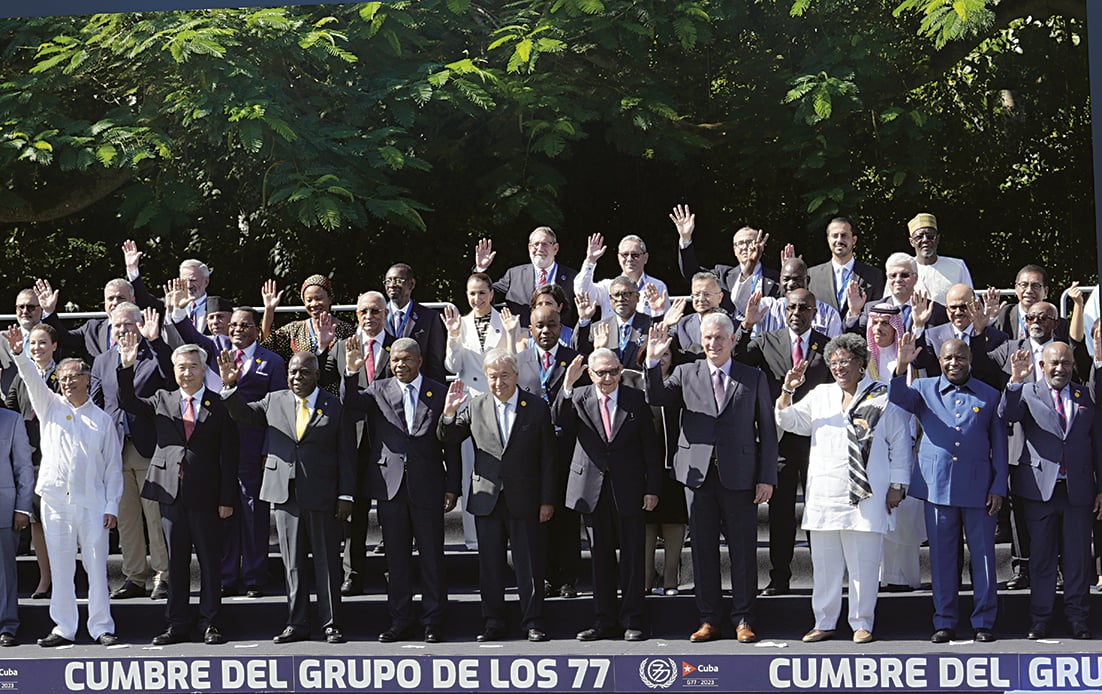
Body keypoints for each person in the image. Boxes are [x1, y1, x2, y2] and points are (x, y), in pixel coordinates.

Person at [644, 314, 778, 643]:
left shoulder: (754, 377)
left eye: (720, 338)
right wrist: (651, 360)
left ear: (732, 340)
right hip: (697, 477)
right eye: (707, 338)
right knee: (702, 551)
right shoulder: (684, 373)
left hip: (741, 476)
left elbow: (768, 431)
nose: (713, 344)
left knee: (743, 551)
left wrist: (766, 477)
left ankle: (744, 618)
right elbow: (656, 398)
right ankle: (708, 619)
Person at [776, 334, 914, 644]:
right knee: (825, 567)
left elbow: (901, 442)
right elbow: (789, 420)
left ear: (860, 363)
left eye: (845, 362)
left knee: (864, 565)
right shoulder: (820, 394)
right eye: (834, 363)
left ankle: (862, 622)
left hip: (867, 494)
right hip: (826, 494)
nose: (839, 368)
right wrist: (788, 390)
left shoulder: (882, 395)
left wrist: (898, 485)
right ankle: (824, 621)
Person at [219, 350, 355, 644]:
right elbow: (242, 413)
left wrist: (346, 494)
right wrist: (230, 388)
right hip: (285, 494)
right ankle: (297, 623)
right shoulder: (274, 400)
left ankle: (331, 623)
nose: (297, 377)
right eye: (293, 372)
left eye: (304, 372)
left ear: (317, 375)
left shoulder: (335, 405)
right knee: (292, 563)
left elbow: (347, 453)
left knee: (327, 562)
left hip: (323, 493)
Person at [117, 338, 238, 646]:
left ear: (203, 369)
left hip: (207, 496)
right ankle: (177, 624)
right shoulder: (162, 399)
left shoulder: (218, 403)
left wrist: (226, 499)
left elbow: (229, 454)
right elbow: (128, 402)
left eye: (193, 367)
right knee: (176, 562)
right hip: (170, 493)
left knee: (209, 562)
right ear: (174, 371)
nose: (187, 373)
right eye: (181, 367)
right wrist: (127, 366)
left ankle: (211, 622)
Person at [7, 328, 121, 648]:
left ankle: (101, 626)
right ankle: (64, 627)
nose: (68, 381)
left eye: (74, 376)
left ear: (87, 379)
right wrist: (19, 354)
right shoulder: (49, 406)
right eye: (63, 377)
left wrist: (112, 505)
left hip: (93, 503)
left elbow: (113, 468)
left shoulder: (102, 420)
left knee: (97, 567)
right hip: (55, 501)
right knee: (60, 567)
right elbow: (31, 377)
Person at [342, 336, 461, 643]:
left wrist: (453, 485)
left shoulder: (438, 391)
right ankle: (400, 619)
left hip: (428, 484)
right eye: (395, 360)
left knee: (432, 556)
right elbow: (350, 404)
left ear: (419, 360)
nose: (400, 365)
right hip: (389, 486)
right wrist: (351, 372)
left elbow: (450, 442)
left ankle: (434, 619)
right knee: (395, 559)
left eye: (406, 359)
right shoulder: (379, 389)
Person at [891, 336, 1007, 643]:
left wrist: (998, 486)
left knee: (982, 558)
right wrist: (902, 365)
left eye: (960, 358)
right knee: (942, 559)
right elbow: (897, 398)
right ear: (939, 361)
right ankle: (944, 620)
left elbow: (1000, 445)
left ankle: (984, 620)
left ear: (969, 360)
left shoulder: (989, 395)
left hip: (979, 488)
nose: (953, 363)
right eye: (947, 358)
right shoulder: (924, 388)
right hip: (938, 486)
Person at [438, 349, 556, 643]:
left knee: (529, 564)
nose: (499, 382)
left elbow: (549, 460)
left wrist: (547, 500)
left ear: (516, 375)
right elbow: (448, 437)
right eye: (493, 376)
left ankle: (533, 621)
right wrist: (449, 413)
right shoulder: (475, 405)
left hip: (525, 498)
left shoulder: (537, 408)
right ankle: (493, 622)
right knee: (489, 566)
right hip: (486, 498)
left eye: (505, 375)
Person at [555, 348, 661, 641]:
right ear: (590, 373)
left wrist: (652, 488)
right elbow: (559, 423)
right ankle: (603, 621)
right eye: (601, 372)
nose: (608, 378)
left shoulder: (635, 399)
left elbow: (650, 447)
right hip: (590, 488)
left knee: (632, 557)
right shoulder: (577, 397)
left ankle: (633, 620)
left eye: (613, 371)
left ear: (620, 371)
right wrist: (566, 386)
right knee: (600, 559)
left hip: (629, 488)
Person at [1000, 342, 1102, 640]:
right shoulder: (1028, 391)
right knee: (1042, 559)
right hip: (1039, 491)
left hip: (1078, 491)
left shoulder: (1085, 395)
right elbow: (1006, 415)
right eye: (1054, 363)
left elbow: (1097, 444)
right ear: (1042, 366)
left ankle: (1078, 618)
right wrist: (1015, 382)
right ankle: (1040, 619)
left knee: (1078, 559)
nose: (1060, 368)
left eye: (1066, 363)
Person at [734, 288, 832, 596]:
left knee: (820, 511)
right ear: (784, 309)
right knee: (780, 514)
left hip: (817, 441)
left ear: (814, 312)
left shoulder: (826, 346)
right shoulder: (766, 342)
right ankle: (780, 577)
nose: (797, 312)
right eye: (792, 307)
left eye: (804, 307)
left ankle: (826, 579)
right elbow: (735, 358)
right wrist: (746, 326)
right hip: (778, 441)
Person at [91, 303, 172, 601]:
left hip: (149, 447)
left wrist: (155, 342)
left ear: (140, 325)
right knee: (125, 518)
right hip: (115, 449)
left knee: (154, 516)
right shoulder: (102, 361)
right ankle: (134, 576)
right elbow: (96, 404)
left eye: (128, 324)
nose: (123, 330)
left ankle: (163, 575)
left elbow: (171, 380)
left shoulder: (154, 355)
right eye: (117, 325)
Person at [513, 305, 584, 600]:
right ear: (530, 329)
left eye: (552, 325)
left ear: (560, 327)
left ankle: (568, 578)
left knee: (567, 518)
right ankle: (541, 577)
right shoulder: (519, 362)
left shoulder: (575, 361)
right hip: (533, 453)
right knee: (537, 519)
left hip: (566, 449)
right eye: (540, 326)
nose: (546, 331)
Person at [331, 291, 394, 595]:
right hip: (352, 441)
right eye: (363, 312)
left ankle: (396, 571)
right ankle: (352, 572)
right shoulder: (342, 347)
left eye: (375, 311)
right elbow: (327, 387)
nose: (369, 317)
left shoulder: (398, 346)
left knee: (392, 512)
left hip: (388, 442)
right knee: (354, 515)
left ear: (385, 314)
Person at [442, 274, 510, 551]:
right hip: (471, 403)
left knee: (503, 466)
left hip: (500, 400)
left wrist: (512, 332)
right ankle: (472, 538)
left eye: (482, 293)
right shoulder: (461, 323)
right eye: (472, 293)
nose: (477, 299)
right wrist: (454, 335)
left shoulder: (504, 319)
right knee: (471, 468)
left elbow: (512, 359)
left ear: (492, 293)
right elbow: (451, 364)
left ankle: (504, 534)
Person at [863, 305, 927, 590]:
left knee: (903, 513)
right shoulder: (865, 364)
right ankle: (876, 578)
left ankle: (902, 579)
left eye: (885, 323)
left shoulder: (912, 364)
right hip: (873, 448)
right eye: (874, 323)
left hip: (907, 445)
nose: (879, 328)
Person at [622, 351, 688, 597]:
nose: (661, 359)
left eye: (666, 354)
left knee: (673, 520)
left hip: (675, 465)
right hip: (641, 466)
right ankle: (646, 578)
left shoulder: (680, 381)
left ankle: (671, 579)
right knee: (646, 524)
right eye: (655, 353)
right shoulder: (631, 381)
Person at [5, 323, 59, 600]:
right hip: (32, 455)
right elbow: (11, 412)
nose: (37, 348)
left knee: (61, 520)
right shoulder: (19, 377)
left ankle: (66, 579)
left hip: (58, 454)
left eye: (42, 343)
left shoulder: (65, 374)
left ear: (54, 346)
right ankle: (45, 579)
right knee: (37, 521)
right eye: (32, 344)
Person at [672, 205, 782, 317]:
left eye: (749, 242)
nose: (744, 247)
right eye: (740, 243)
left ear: (761, 246)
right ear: (734, 250)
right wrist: (685, 238)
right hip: (730, 331)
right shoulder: (721, 275)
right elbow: (693, 273)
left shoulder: (776, 278)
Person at [260, 275, 356, 394]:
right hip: (301, 396)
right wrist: (269, 310)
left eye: (319, 298)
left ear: (330, 298)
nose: (314, 304)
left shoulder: (346, 330)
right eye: (309, 300)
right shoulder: (294, 329)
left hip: (334, 399)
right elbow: (268, 344)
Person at [0, 331, 34, 647]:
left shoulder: (11, 420)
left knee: (6, 574)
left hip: (4, 511)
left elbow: (24, 468)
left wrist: (24, 507)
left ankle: (7, 624)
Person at [474, 226, 579, 328]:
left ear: (555, 248)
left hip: (558, 340)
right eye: (536, 244)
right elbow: (487, 295)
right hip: (521, 339)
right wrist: (481, 269)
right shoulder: (514, 274)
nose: (540, 248)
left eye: (545, 244)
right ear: (529, 248)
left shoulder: (572, 277)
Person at [732, 257, 842, 338]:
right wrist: (751, 263)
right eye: (786, 279)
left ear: (807, 281)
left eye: (797, 279)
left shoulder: (828, 314)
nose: (791, 284)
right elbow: (738, 300)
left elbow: (835, 350)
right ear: (780, 280)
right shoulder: (767, 307)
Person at [845, 253, 947, 336]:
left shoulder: (934, 311)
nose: (898, 280)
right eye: (893, 275)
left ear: (915, 278)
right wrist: (854, 312)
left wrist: (919, 327)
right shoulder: (872, 308)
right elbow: (854, 341)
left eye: (904, 275)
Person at [124, 240, 214, 334]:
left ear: (206, 282)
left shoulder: (217, 307)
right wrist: (132, 269)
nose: (188, 285)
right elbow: (143, 299)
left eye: (193, 280)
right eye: (184, 281)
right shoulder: (168, 305)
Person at [574, 233, 670, 318]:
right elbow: (582, 293)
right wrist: (590, 261)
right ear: (619, 258)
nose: (629, 259)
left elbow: (669, 322)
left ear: (645, 258)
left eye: (635, 255)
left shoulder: (657, 286)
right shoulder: (608, 287)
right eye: (625, 254)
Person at [38, 275, 134, 359]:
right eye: (110, 298)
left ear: (132, 301)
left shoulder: (142, 328)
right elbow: (64, 339)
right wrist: (49, 311)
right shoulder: (92, 329)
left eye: (121, 298)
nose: (115, 303)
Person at [806, 217, 885, 319]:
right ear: (828, 240)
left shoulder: (873, 275)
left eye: (844, 236)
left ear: (854, 240)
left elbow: (875, 316)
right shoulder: (812, 275)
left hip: (857, 334)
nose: (839, 240)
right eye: (835, 236)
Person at [382, 264, 447, 382]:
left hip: (417, 388)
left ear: (411, 284)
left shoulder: (429, 317)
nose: (392, 285)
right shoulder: (377, 316)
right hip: (383, 391)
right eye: (388, 281)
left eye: (398, 280)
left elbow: (435, 362)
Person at [572, 275, 654, 367]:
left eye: (626, 294)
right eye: (616, 295)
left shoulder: (651, 325)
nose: (620, 299)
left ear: (637, 297)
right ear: (610, 299)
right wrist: (584, 319)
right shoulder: (599, 328)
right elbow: (579, 353)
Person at [906, 212, 973, 304]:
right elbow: (888, 305)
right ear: (912, 242)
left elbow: (971, 300)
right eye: (919, 237)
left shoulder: (957, 266)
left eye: (930, 236)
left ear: (937, 239)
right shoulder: (902, 268)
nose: (925, 240)